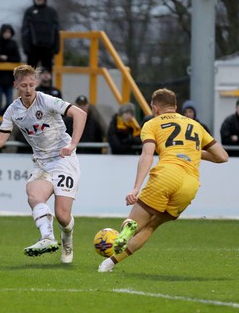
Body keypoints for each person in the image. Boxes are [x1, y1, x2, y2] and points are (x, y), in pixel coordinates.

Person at [0, 65, 87, 264]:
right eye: (23, 85)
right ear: (16, 85)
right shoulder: (12, 110)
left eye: (31, 85)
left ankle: (66, 239)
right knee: (33, 194)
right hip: (42, 162)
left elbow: (80, 114)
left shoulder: (47, 100)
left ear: (36, 84)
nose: (28, 89)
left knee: (62, 215)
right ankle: (47, 238)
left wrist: (73, 144)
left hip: (63, 159)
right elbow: (0, 140)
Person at [98, 88, 229, 273]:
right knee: (152, 226)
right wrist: (190, 151)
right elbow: (222, 157)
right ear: (175, 107)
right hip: (190, 184)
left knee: (133, 223)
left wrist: (135, 188)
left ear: (155, 107)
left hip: (167, 175)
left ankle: (127, 230)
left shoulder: (152, 124)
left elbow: (147, 155)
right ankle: (108, 264)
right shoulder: (195, 125)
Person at [21, 0, 60, 71]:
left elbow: (56, 30)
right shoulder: (29, 11)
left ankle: (47, 83)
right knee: (30, 73)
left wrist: (56, 47)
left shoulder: (51, 12)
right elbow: (25, 30)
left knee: (47, 73)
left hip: (48, 48)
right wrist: (26, 47)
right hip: (32, 48)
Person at [0, 24, 21, 113]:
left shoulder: (13, 44)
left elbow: (17, 58)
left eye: (9, 32)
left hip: (9, 78)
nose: (7, 34)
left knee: (9, 102)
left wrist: (6, 58)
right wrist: (3, 58)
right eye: (5, 32)